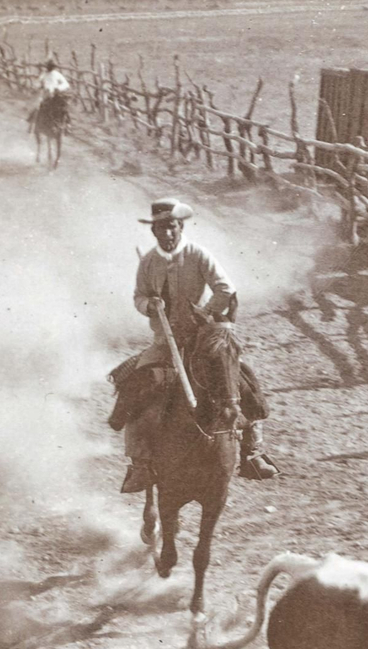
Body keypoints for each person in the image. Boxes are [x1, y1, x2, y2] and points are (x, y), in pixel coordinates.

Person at [110, 199, 279, 492]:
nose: (167, 233)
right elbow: (137, 296)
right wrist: (149, 304)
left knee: (242, 378)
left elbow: (225, 288)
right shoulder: (148, 262)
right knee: (134, 386)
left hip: (202, 339)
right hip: (164, 342)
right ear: (154, 231)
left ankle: (252, 452)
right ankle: (139, 463)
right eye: (160, 228)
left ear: (181, 226)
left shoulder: (199, 255)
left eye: (171, 227)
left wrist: (205, 315)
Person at [29, 57, 70, 129]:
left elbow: (66, 84)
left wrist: (58, 88)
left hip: (56, 94)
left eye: (51, 67)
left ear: (53, 67)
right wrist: (38, 86)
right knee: (39, 107)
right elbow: (38, 83)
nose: (49, 68)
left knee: (63, 108)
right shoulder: (44, 74)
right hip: (46, 94)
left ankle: (67, 124)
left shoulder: (57, 74)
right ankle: (33, 123)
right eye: (48, 66)